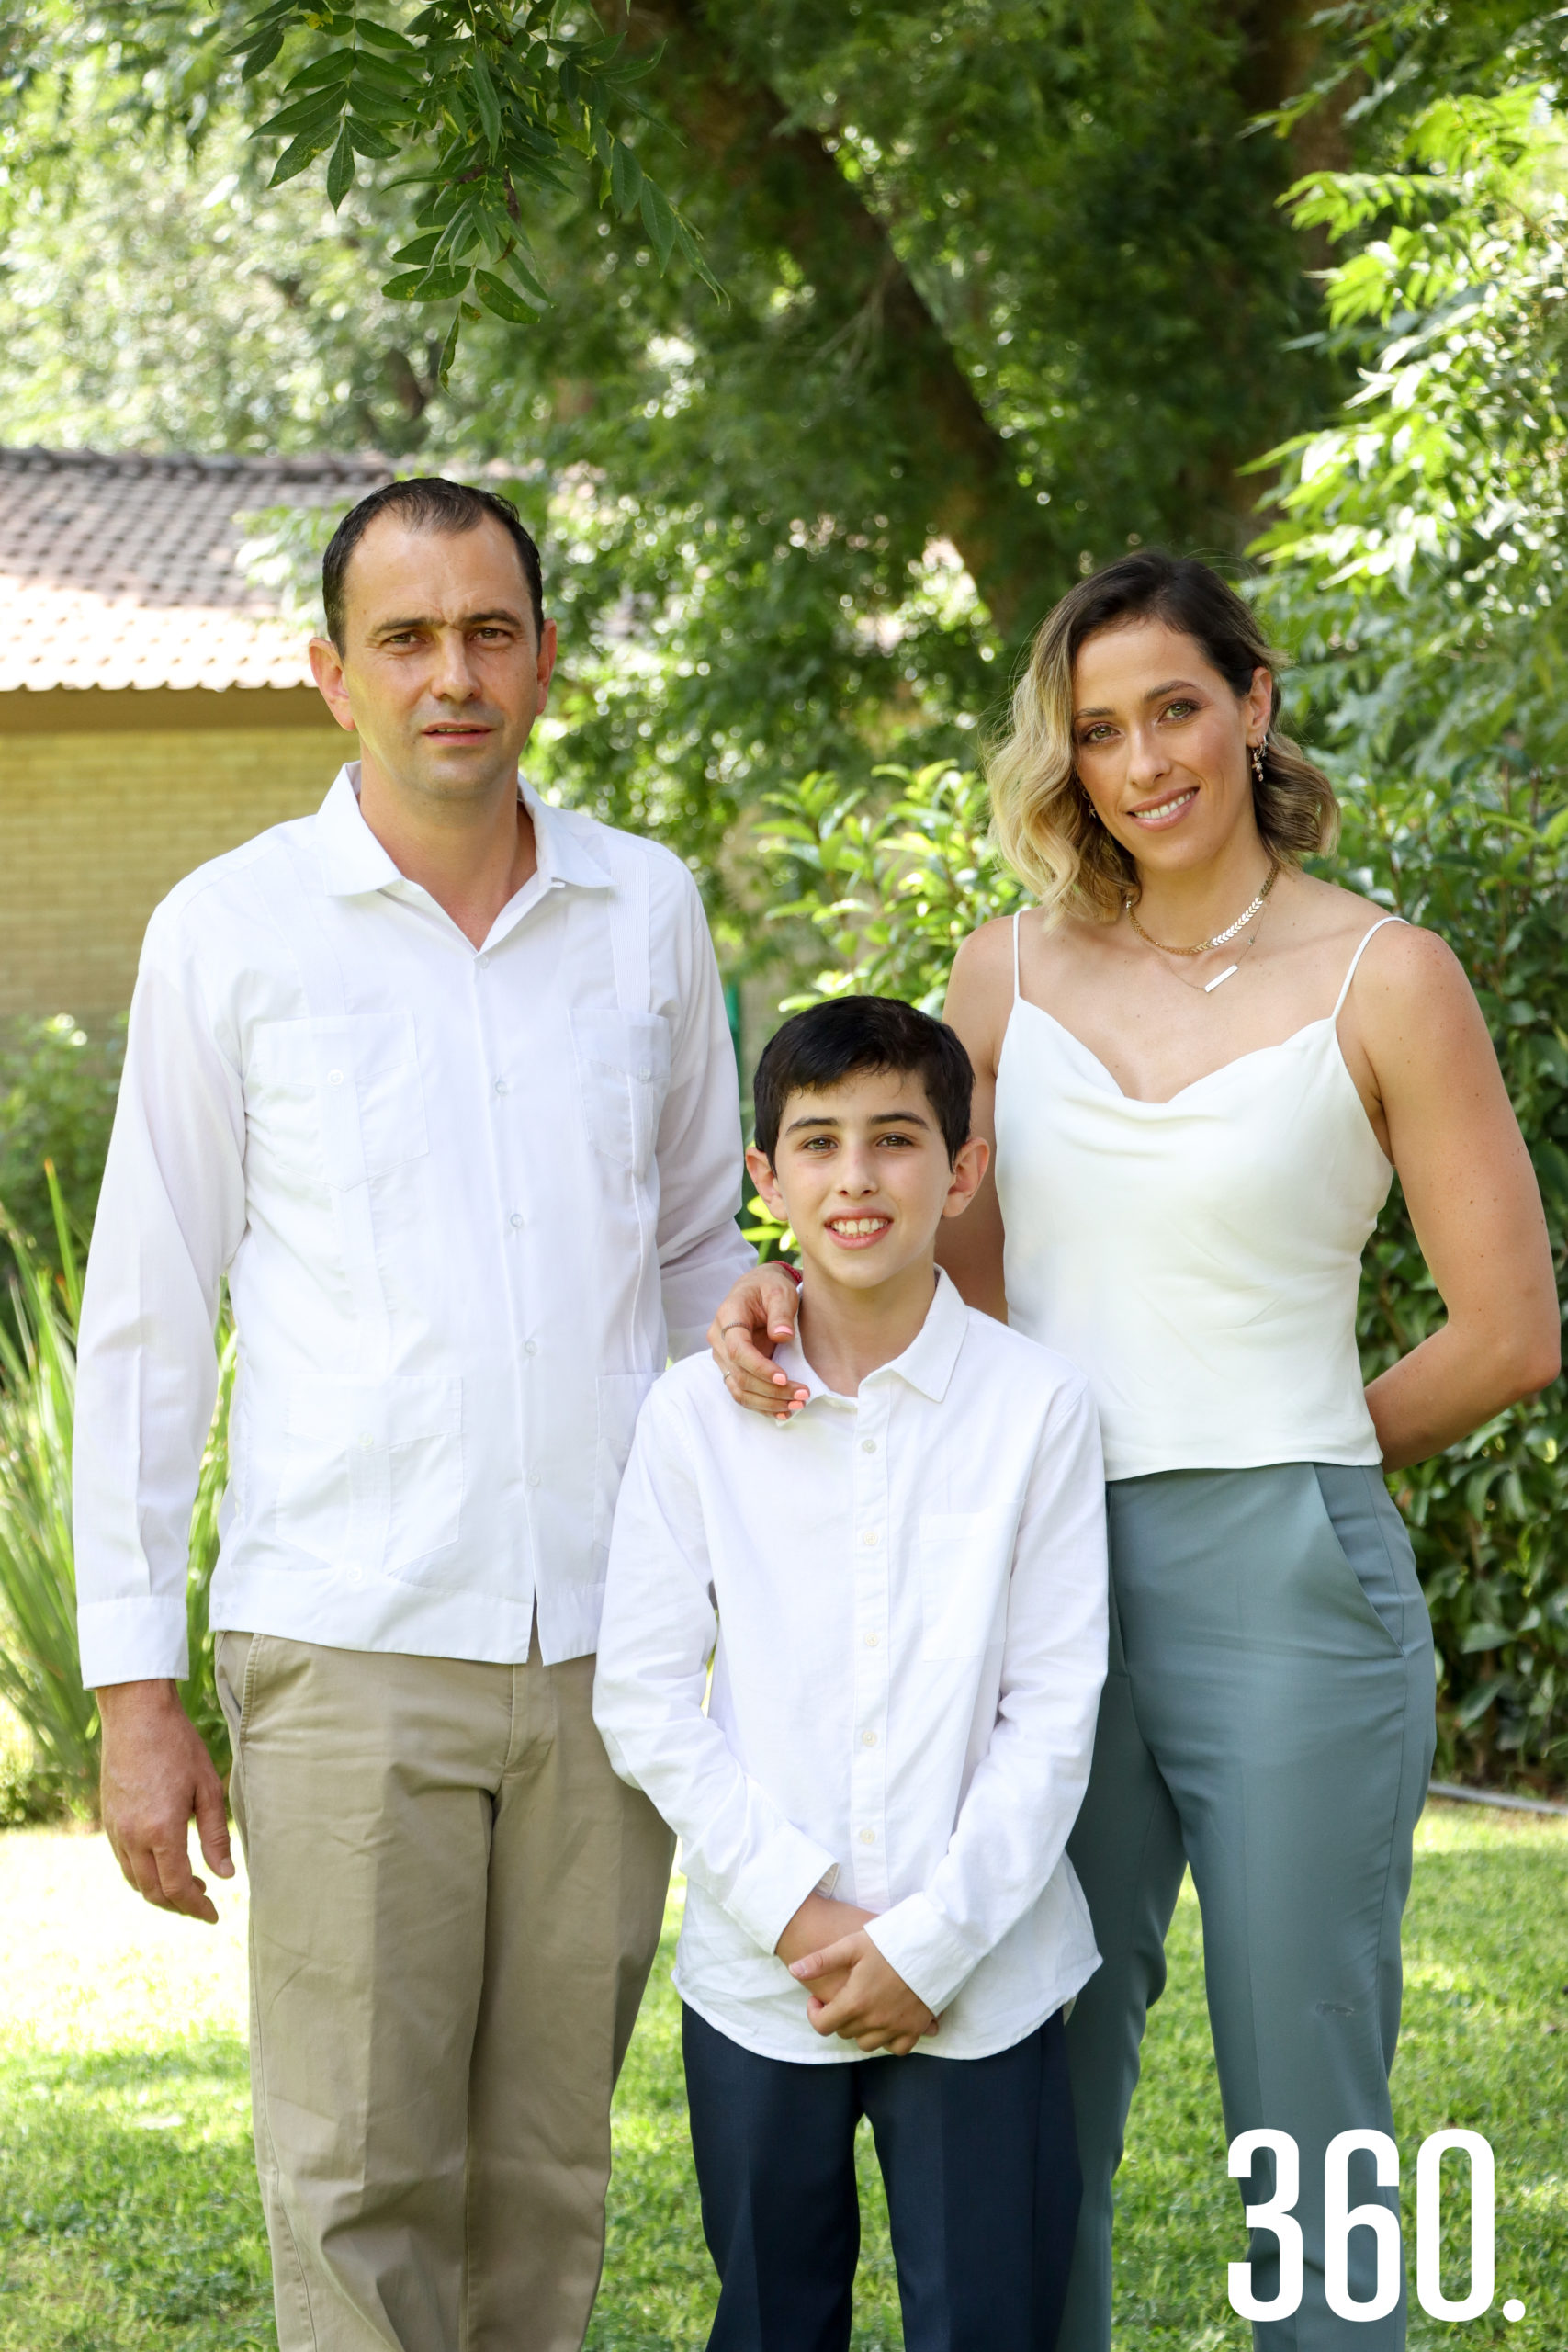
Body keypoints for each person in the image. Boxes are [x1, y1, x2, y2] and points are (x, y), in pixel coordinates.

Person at [707, 553, 1560, 2351]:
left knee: (1303, 2104)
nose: (1139, 759)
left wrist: (1306, 1462)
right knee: (1017, 2100)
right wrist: (776, 1298)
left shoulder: (1385, 976)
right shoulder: (1001, 973)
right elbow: (938, 1275)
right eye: (1093, 730)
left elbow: (1506, 1330)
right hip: (1027, 1586)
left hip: (1289, 1584)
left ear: (1249, 705)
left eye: (1172, 707)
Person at [73, 476, 758, 2352]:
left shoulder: (647, 909)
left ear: (538, 654)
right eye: (404, 637)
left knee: (544, 2176)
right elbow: (144, 1319)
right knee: (358, 2172)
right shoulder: (232, 932)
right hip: (347, 1637)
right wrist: (136, 1693)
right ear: (331, 672)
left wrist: (748, 1577)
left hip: (610, 1640)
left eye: (485, 630)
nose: (450, 674)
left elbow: (705, 1246)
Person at [593, 995, 1109, 2352]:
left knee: (989, 2321)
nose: (856, 1178)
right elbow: (642, 1694)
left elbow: (1053, 1713)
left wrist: (927, 1943)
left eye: (895, 1140)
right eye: (816, 1144)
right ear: (766, 1177)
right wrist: (804, 1915)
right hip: (766, 1981)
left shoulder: (1037, 1410)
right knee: (771, 2318)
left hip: (983, 1981)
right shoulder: (693, 1415)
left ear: (963, 1169)